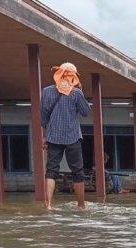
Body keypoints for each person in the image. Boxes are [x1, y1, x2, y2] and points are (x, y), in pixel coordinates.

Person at [41, 62, 90, 210]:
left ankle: (48, 204)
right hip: (72, 136)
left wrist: (45, 135)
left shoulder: (47, 91)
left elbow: (43, 116)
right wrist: (80, 90)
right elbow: (86, 112)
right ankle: (81, 205)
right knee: (77, 171)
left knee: (51, 170)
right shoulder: (76, 93)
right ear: (74, 76)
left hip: (53, 136)